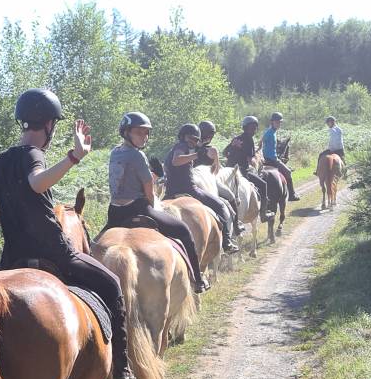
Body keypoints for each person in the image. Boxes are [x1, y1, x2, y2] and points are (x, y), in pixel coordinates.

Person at [0, 88, 132, 379]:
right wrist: (74, 157)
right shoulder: (34, 154)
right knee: (112, 284)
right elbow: (37, 183)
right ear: (48, 124)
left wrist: (13, 223)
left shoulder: (1, 160)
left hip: (12, 258)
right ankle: (119, 367)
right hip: (55, 254)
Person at [106, 111, 211, 293]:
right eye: (139, 132)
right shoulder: (138, 155)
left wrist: (153, 175)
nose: (144, 136)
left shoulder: (115, 152)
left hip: (114, 211)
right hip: (138, 208)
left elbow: (126, 180)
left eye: (146, 132)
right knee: (184, 231)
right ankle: (197, 279)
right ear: (126, 132)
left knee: (94, 245)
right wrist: (150, 203)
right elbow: (148, 187)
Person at [164, 123, 239, 253]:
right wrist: (197, 155)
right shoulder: (181, 146)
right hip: (189, 190)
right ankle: (227, 243)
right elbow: (177, 160)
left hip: (170, 193)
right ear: (183, 136)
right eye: (190, 138)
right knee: (221, 206)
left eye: (196, 140)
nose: (193, 141)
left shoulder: (172, 151)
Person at [223, 115, 274, 222]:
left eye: (254, 128)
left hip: (227, 171)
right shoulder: (249, 140)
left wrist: (234, 149)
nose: (254, 130)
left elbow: (224, 153)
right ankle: (263, 214)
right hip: (241, 172)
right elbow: (250, 159)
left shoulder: (236, 139)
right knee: (263, 185)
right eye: (252, 128)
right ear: (247, 128)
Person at [262, 111, 298, 201]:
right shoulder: (270, 133)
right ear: (272, 122)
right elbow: (262, 142)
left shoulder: (271, 132)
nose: (279, 124)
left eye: (280, 122)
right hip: (272, 159)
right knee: (288, 172)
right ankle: (292, 195)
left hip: (270, 158)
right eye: (277, 122)